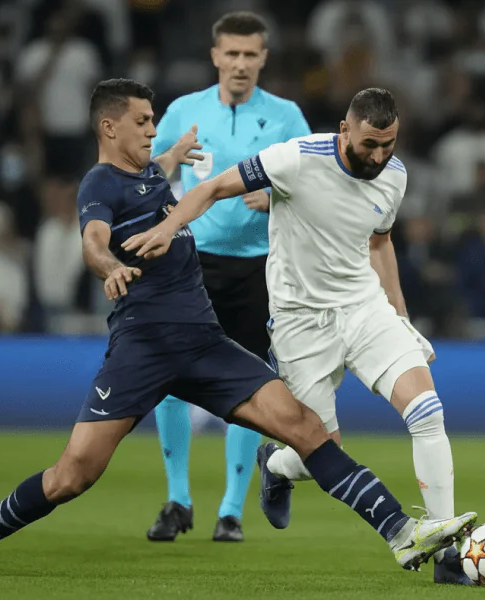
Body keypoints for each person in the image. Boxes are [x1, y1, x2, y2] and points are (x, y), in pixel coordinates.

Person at [0, 79, 476, 576]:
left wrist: (176, 155)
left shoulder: (150, 172)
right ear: (109, 127)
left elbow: (173, 177)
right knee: (73, 475)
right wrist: (111, 266)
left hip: (203, 343)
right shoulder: (100, 184)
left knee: (307, 428)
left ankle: (403, 533)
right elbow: (93, 242)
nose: (153, 130)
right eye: (144, 121)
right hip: (143, 348)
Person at [123, 88, 471, 585]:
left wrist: (401, 315)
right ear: (344, 130)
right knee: (319, 451)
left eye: (388, 144)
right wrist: (168, 227)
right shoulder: (295, 158)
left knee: (427, 410)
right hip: (298, 322)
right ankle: (279, 465)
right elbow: (215, 188)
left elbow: (381, 240)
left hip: (363, 309)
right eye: (369, 144)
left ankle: (445, 551)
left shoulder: (394, 176)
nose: (378, 156)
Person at [146, 10, 312, 543]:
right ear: (215, 55)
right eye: (232, 54)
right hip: (191, 260)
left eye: (250, 55)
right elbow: (148, 176)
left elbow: (315, 182)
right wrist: (167, 162)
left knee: (245, 383)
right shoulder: (182, 111)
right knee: (171, 379)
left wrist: (281, 194)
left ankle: (231, 510)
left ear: (264, 58)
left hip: (258, 266)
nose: (240, 64)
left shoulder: (287, 116)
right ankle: (177, 500)